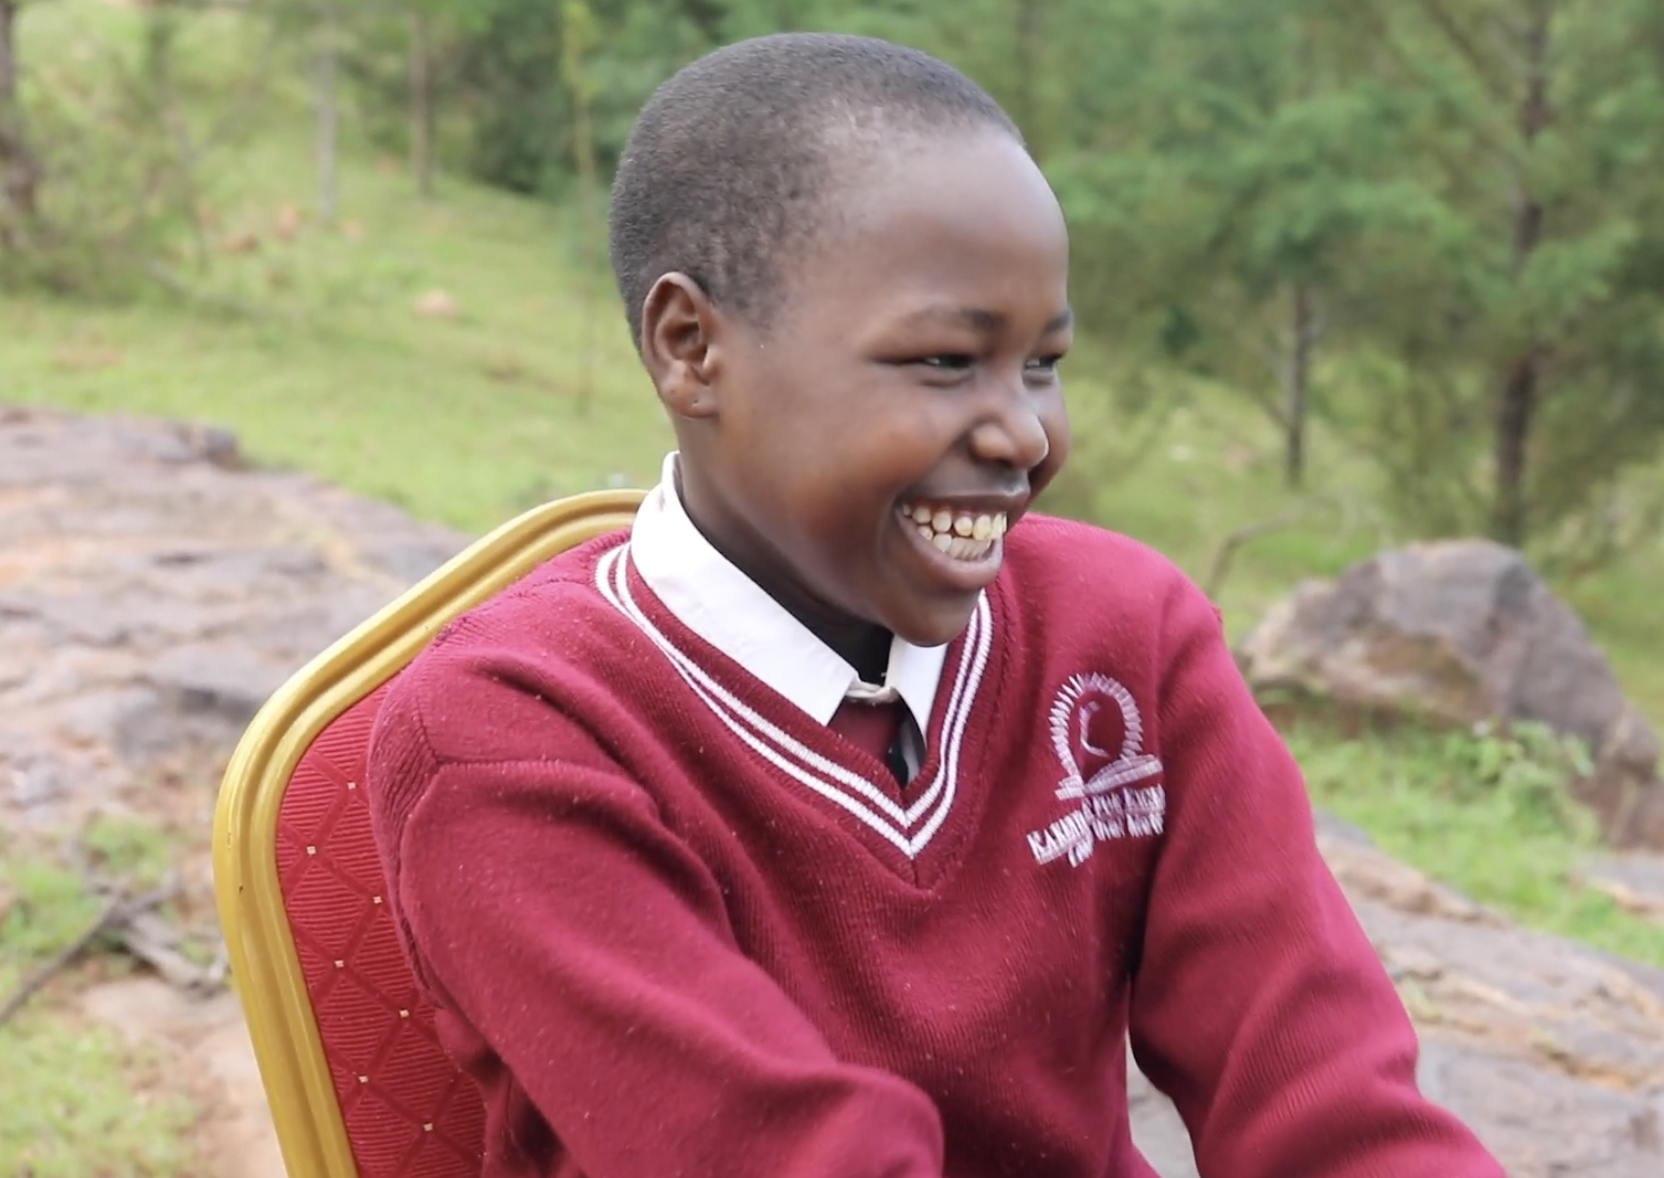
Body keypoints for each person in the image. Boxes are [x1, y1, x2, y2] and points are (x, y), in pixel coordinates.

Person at [365, 32, 1506, 1178]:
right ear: (692, 347)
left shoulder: (1123, 634)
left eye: (1041, 363)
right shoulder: (513, 735)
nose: (1022, 433)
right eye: (945, 362)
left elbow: (1329, 1098)